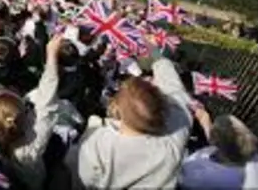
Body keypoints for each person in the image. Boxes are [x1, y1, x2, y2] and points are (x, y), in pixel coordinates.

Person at [64, 57, 193, 189]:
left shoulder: (97, 143)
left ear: (118, 110)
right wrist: (160, 60)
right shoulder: (173, 139)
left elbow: (81, 178)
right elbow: (176, 92)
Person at [0, 35, 63, 190]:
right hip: (37, 179)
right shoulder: (34, 141)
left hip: (21, 179)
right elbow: (47, 99)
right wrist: (51, 55)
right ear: (24, 113)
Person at [179, 112, 258, 190]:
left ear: (215, 141)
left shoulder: (200, 175)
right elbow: (230, 140)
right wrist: (204, 119)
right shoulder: (253, 158)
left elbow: (179, 175)